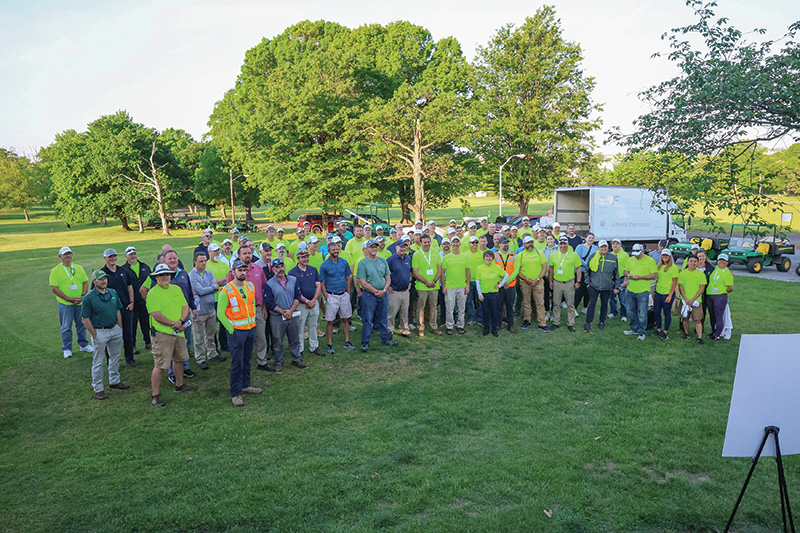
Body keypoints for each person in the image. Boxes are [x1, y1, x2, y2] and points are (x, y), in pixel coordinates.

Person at [146, 264, 197, 407]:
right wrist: (173, 324)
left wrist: (180, 321)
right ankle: (155, 395)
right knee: (160, 365)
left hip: (179, 331)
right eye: (162, 275)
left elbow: (185, 306)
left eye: (167, 274)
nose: (165, 277)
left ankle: (179, 385)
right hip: (162, 334)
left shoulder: (176, 289)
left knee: (179, 359)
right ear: (156, 277)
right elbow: (156, 315)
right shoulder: (153, 293)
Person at [216, 259, 263, 406]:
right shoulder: (226, 290)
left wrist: (252, 323)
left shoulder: (250, 286)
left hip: (250, 329)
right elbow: (220, 314)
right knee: (237, 362)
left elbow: (252, 305)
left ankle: (245, 385)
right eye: (240, 270)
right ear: (233, 272)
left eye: (244, 270)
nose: (243, 273)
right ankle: (235, 393)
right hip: (236, 332)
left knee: (247, 360)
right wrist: (231, 330)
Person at [81, 270, 128, 400]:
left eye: (105, 279)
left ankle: (114, 381)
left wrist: (119, 327)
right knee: (98, 361)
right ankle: (98, 389)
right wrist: (94, 334)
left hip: (114, 329)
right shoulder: (89, 298)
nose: (104, 281)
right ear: (94, 281)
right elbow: (85, 318)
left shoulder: (112, 292)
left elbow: (118, 310)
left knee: (115, 357)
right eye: (100, 279)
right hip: (99, 331)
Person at [223, 244, 268, 372]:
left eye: (249, 253)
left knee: (261, 336)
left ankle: (262, 360)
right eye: (245, 253)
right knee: (241, 339)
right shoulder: (232, 272)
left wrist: (264, 308)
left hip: (257, 308)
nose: (248, 255)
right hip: (240, 312)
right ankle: (241, 361)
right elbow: (228, 292)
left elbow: (263, 289)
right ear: (239, 256)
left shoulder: (259, 269)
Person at [264, 257, 307, 371]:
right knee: (277, 340)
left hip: (292, 314)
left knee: (294, 338)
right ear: (273, 269)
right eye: (277, 267)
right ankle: (279, 361)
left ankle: (296, 359)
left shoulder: (293, 280)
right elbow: (269, 302)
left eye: (282, 266)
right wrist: (283, 312)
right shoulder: (269, 284)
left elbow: (297, 296)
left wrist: (291, 311)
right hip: (277, 317)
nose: (280, 269)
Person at [49, 246, 92, 358]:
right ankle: (67, 348)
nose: (68, 256)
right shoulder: (55, 270)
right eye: (65, 254)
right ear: (60, 256)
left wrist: (82, 296)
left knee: (81, 325)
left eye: (69, 253)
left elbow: (85, 282)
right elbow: (54, 288)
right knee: (66, 327)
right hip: (65, 304)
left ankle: (84, 344)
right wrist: (68, 299)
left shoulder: (79, 268)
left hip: (80, 302)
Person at [356, 239, 397, 352]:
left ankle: (386, 338)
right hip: (369, 295)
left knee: (383, 317)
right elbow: (363, 282)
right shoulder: (363, 263)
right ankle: (365, 342)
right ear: (367, 249)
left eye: (376, 246)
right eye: (371, 247)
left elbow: (388, 278)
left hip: (383, 294)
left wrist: (384, 290)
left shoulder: (383, 261)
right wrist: (375, 291)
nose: (374, 249)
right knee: (368, 319)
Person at [100, 248, 138, 367]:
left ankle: (129, 358)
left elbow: (130, 287)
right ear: (105, 258)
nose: (113, 259)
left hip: (125, 307)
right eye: (110, 256)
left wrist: (131, 302)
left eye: (114, 256)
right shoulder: (102, 273)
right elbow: (98, 291)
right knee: (110, 337)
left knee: (128, 334)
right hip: (110, 310)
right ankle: (111, 362)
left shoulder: (123, 271)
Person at [319, 238, 356, 353]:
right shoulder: (324, 265)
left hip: (343, 294)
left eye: (337, 249)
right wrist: (326, 297)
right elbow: (322, 283)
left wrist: (348, 292)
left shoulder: (343, 262)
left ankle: (347, 341)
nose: (335, 251)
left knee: (345, 318)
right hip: (332, 295)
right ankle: (330, 343)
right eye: (333, 249)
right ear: (328, 251)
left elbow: (348, 277)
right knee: (330, 321)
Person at [288, 244, 323, 357]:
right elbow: (295, 291)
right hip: (301, 304)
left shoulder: (313, 270)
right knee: (301, 326)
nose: (305, 259)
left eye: (307, 257)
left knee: (313, 325)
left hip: (314, 303)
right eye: (303, 257)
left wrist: (313, 300)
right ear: (298, 258)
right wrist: (307, 301)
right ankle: (300, 349)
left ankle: (314, 346)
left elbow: (318, 286)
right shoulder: (292, 273)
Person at [189, 252, 222, 370]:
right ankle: (200, 358)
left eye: (205, 261)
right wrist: (211, 288)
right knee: (198, 336)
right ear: (195, 262)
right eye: (200, 261)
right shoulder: (191, 276)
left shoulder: (209, 273)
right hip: (199, 311)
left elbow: (215, 287)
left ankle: (212, 353)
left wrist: (210, 289)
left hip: (210, 309)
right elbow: (200, 290)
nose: (203, 263)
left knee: (211, 334)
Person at [513, 235, 549, 331]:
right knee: (526, 302)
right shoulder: (520, 255)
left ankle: (542, 322)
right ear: (524, 244)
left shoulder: (539, 252)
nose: (530, 244)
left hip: (539, 282)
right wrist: (526, 279)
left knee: (540, 302)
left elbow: (544, 267)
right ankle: (527, 320)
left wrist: (537, 279)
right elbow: (517, 270)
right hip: (525, 283)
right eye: (527, 243)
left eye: (531, 242)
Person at [623, 244, 658, 340]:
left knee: (642, 313)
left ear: (643, 251)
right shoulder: (630, 259)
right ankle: (633, 328)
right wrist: (628, 274)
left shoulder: (650, 261)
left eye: (638, 253)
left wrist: (641, 277)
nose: (636, 255)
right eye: (634, 253)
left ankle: (642, 332)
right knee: (632, 311)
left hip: (643, 291)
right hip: (630, 290)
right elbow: (625, 271)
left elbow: (654, 275)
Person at [584, 240, 620, 332]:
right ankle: (588, 322)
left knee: (604, 304)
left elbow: (616, 273)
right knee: (592, 304)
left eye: (605, 247)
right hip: (594, 285)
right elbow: (587, 270)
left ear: (608, 247)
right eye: (601, 247)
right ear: (598, 248)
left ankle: (602, 321)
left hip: (606, 286)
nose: (603, 248)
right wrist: (588, 283)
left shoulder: (613, 258)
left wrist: (616, 286)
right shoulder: (593, 256)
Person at [121, 246, 152, 353]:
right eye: (130, 254)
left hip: (144, 300)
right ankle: (132, 345)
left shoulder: (145, 267)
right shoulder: (123, 269)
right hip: (131, 302)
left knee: (146, 322)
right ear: (126, 256)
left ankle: (148, 342)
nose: (132, 256)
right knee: (131, 324)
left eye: (134, 253)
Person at [412, 234, 443, 337]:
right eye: (425, 242)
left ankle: (434, 326)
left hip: (434, 286)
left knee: (433, 307)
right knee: (421, 307)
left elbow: (440, 269)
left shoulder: (436, 253)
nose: (427, 244)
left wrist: (434, 281)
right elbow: (415, 272)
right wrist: (426, 282)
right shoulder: (416, 254)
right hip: (422, 286)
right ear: (420, 243)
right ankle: (421, 327)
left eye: (428, 242)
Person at [548, 236, 582, 331]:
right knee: (556, 303)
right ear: (558, 244)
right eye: (561, 244)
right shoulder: (554, 254)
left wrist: (578, 281)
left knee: (570, 304)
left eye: (565, 244)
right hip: (557, 282)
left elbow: (579, 268)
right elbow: (551, 268)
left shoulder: (574, 255)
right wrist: (550, 281)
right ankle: (556, 322)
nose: (563, 246)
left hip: (569, 282)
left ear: (568, 244)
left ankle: (571, 323)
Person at [441, 235, 471, 335]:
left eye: (457, 242)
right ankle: (449, 325)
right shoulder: (446, 258)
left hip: (462, 286)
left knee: (461, 308)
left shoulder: (465, 257)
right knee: (449, 308)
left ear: (460, 244)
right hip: (450, 287)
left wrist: (467, 285)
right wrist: (444, 286)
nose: (455, 244)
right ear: (450, 244)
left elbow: (468, 272)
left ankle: (460, 325)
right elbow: (442, 273)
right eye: (453, 242)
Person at [475, 250, 508, 337]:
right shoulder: (479, 268)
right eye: (487, 256)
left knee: (494, 312)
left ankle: (494, 329)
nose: (488, 258)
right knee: (485, 312)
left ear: (493, 258)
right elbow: (477, 281)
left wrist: (500, 285)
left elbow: (506, 275)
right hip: (484, 293)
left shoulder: (496, 267)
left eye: (490, 256)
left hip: (494, 293)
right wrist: (479, 293)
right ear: (484, 258)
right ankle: (486, 329)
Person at [678, 254, 707, 344]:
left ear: (697, 263)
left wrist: (693, 299)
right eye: (691, 261)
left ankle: (699, 337)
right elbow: (681, 287)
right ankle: (686, 333)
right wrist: (686, 299)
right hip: (685, 300)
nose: (693, 263)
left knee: (697, 320)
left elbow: (702, 288)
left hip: (697, 301)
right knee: (685, 318)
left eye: (695, 261)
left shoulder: (701, 274)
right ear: (687, 262)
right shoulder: (682, 274)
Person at [387, 239, 413, 338]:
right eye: (401, 246)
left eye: (405, 246)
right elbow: (385, 274)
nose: (403, 248)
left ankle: (404, 329)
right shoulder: (390, 260)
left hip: (405, 290)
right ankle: (390, 329)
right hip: (394, 291)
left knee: (404, 312)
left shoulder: (408, 258)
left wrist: (410, 281)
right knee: (391, 313)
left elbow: (410, 271)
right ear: (396, 247)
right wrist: (388, 286)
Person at [706, 253, 734, 341]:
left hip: (720, 296)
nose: (721, 262)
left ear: (727, 262)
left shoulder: (727, 273)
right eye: (720, 260)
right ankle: (713, 331)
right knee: (712, 315)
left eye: (724, 260)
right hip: (710, 295)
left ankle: (717, 335)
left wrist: (722, 292)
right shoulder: (716, 269)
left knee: (719, 316)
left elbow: (730, 288)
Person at [493, 236, 518, 333]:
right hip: (499, 285)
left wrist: (507, 281)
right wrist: (502, 282)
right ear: (499, 245)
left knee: (510, 306)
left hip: (510, 285)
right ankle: (498, 324)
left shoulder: (514, 255)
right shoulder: (495, 256)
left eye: (507, 242)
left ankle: (510, 325)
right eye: (503, 243)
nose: (506, 244)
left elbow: (516, 270)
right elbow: (493, 270)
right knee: (498, 306)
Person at [653, 248, 679, 340]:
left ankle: (665, 331)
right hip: (658, 292)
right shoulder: (659, 267)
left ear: (669, 257)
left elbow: (674, 282)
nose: (665, 257)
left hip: (667, 293)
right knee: (657, 311)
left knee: (666, 313)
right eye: (663, 255)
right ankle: (658, 329)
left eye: (667, 256)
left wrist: (670, 295)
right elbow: (657, 280)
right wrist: (654, 291)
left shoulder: (674, 268)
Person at [574, 233, 597, 314]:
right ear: (586, 238)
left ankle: (585, 307)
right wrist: (587, 265)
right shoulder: (579, 247)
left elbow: (597, 258)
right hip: (582, 271)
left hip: (591, 272)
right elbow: (577, 258)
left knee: (588, 290)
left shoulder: (596, 248)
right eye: (589, 237)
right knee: (579, 291)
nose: (590, 239)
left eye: (592, 238)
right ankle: (574, 308)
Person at [609, 238, 629, 321]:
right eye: (614, 244)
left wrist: (626, 279)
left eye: (617, 244)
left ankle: (624, 314)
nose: (615, 245)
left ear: (620, 245)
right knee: (611, 297)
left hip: (620, 279)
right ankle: (613, 312)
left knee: (622, 298)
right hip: (611, 279)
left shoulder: (625, 255)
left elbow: (627, 268)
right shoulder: (609, 254)